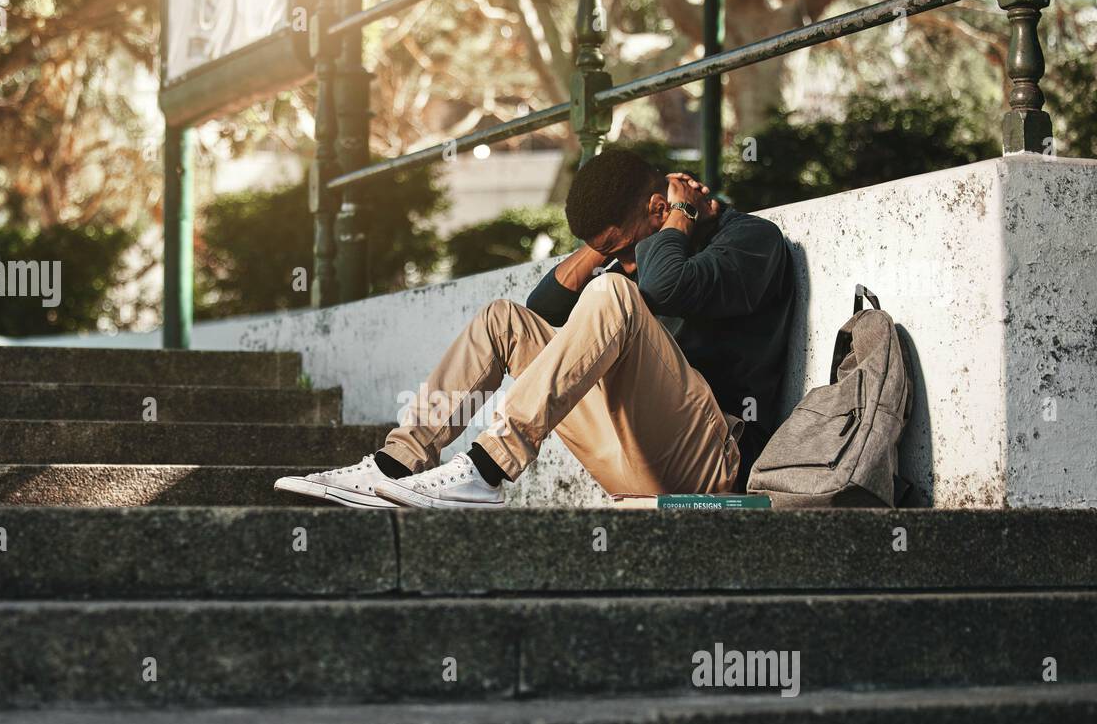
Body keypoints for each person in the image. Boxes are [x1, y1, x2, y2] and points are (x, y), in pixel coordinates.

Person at [275, 147, 795, 510]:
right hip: (635, 458)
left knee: (611, 293)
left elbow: (666, 286)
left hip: (716, 465)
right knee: (504, 320)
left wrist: (677, 215)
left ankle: (487, 470)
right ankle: (395, 466)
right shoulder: (643, 253)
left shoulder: (749, 242)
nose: (618, 260)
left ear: (659, 210)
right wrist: (605, 243)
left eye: (620, 246)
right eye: (611, 251)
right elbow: (542, 309)